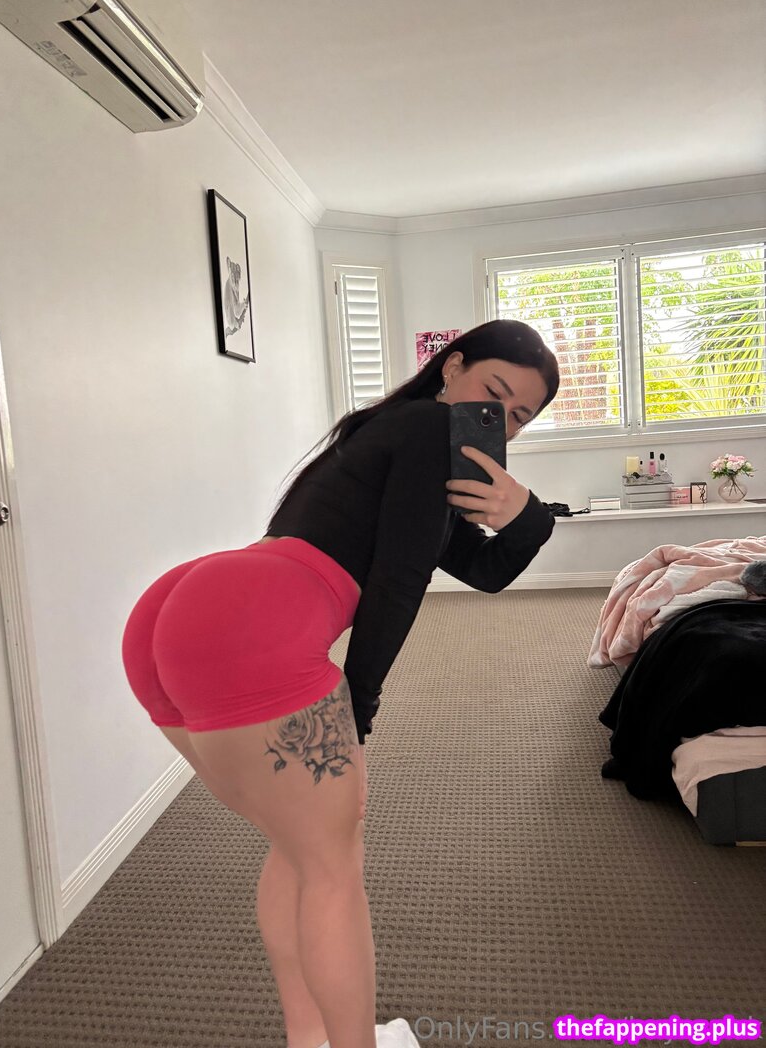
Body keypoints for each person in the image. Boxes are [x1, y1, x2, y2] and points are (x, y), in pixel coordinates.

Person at [121, 319, 560, 1048]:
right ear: (452, 367)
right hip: (250, 627)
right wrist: (359, 703)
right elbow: (398, 582)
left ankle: (309, 1039)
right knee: (331, 867)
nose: (499, 417)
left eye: (517, 416)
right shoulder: (431, 427)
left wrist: (529, 520)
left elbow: (484, 572)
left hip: (182, 610)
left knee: (301, 849)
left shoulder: (388, 434)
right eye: (493, 391)